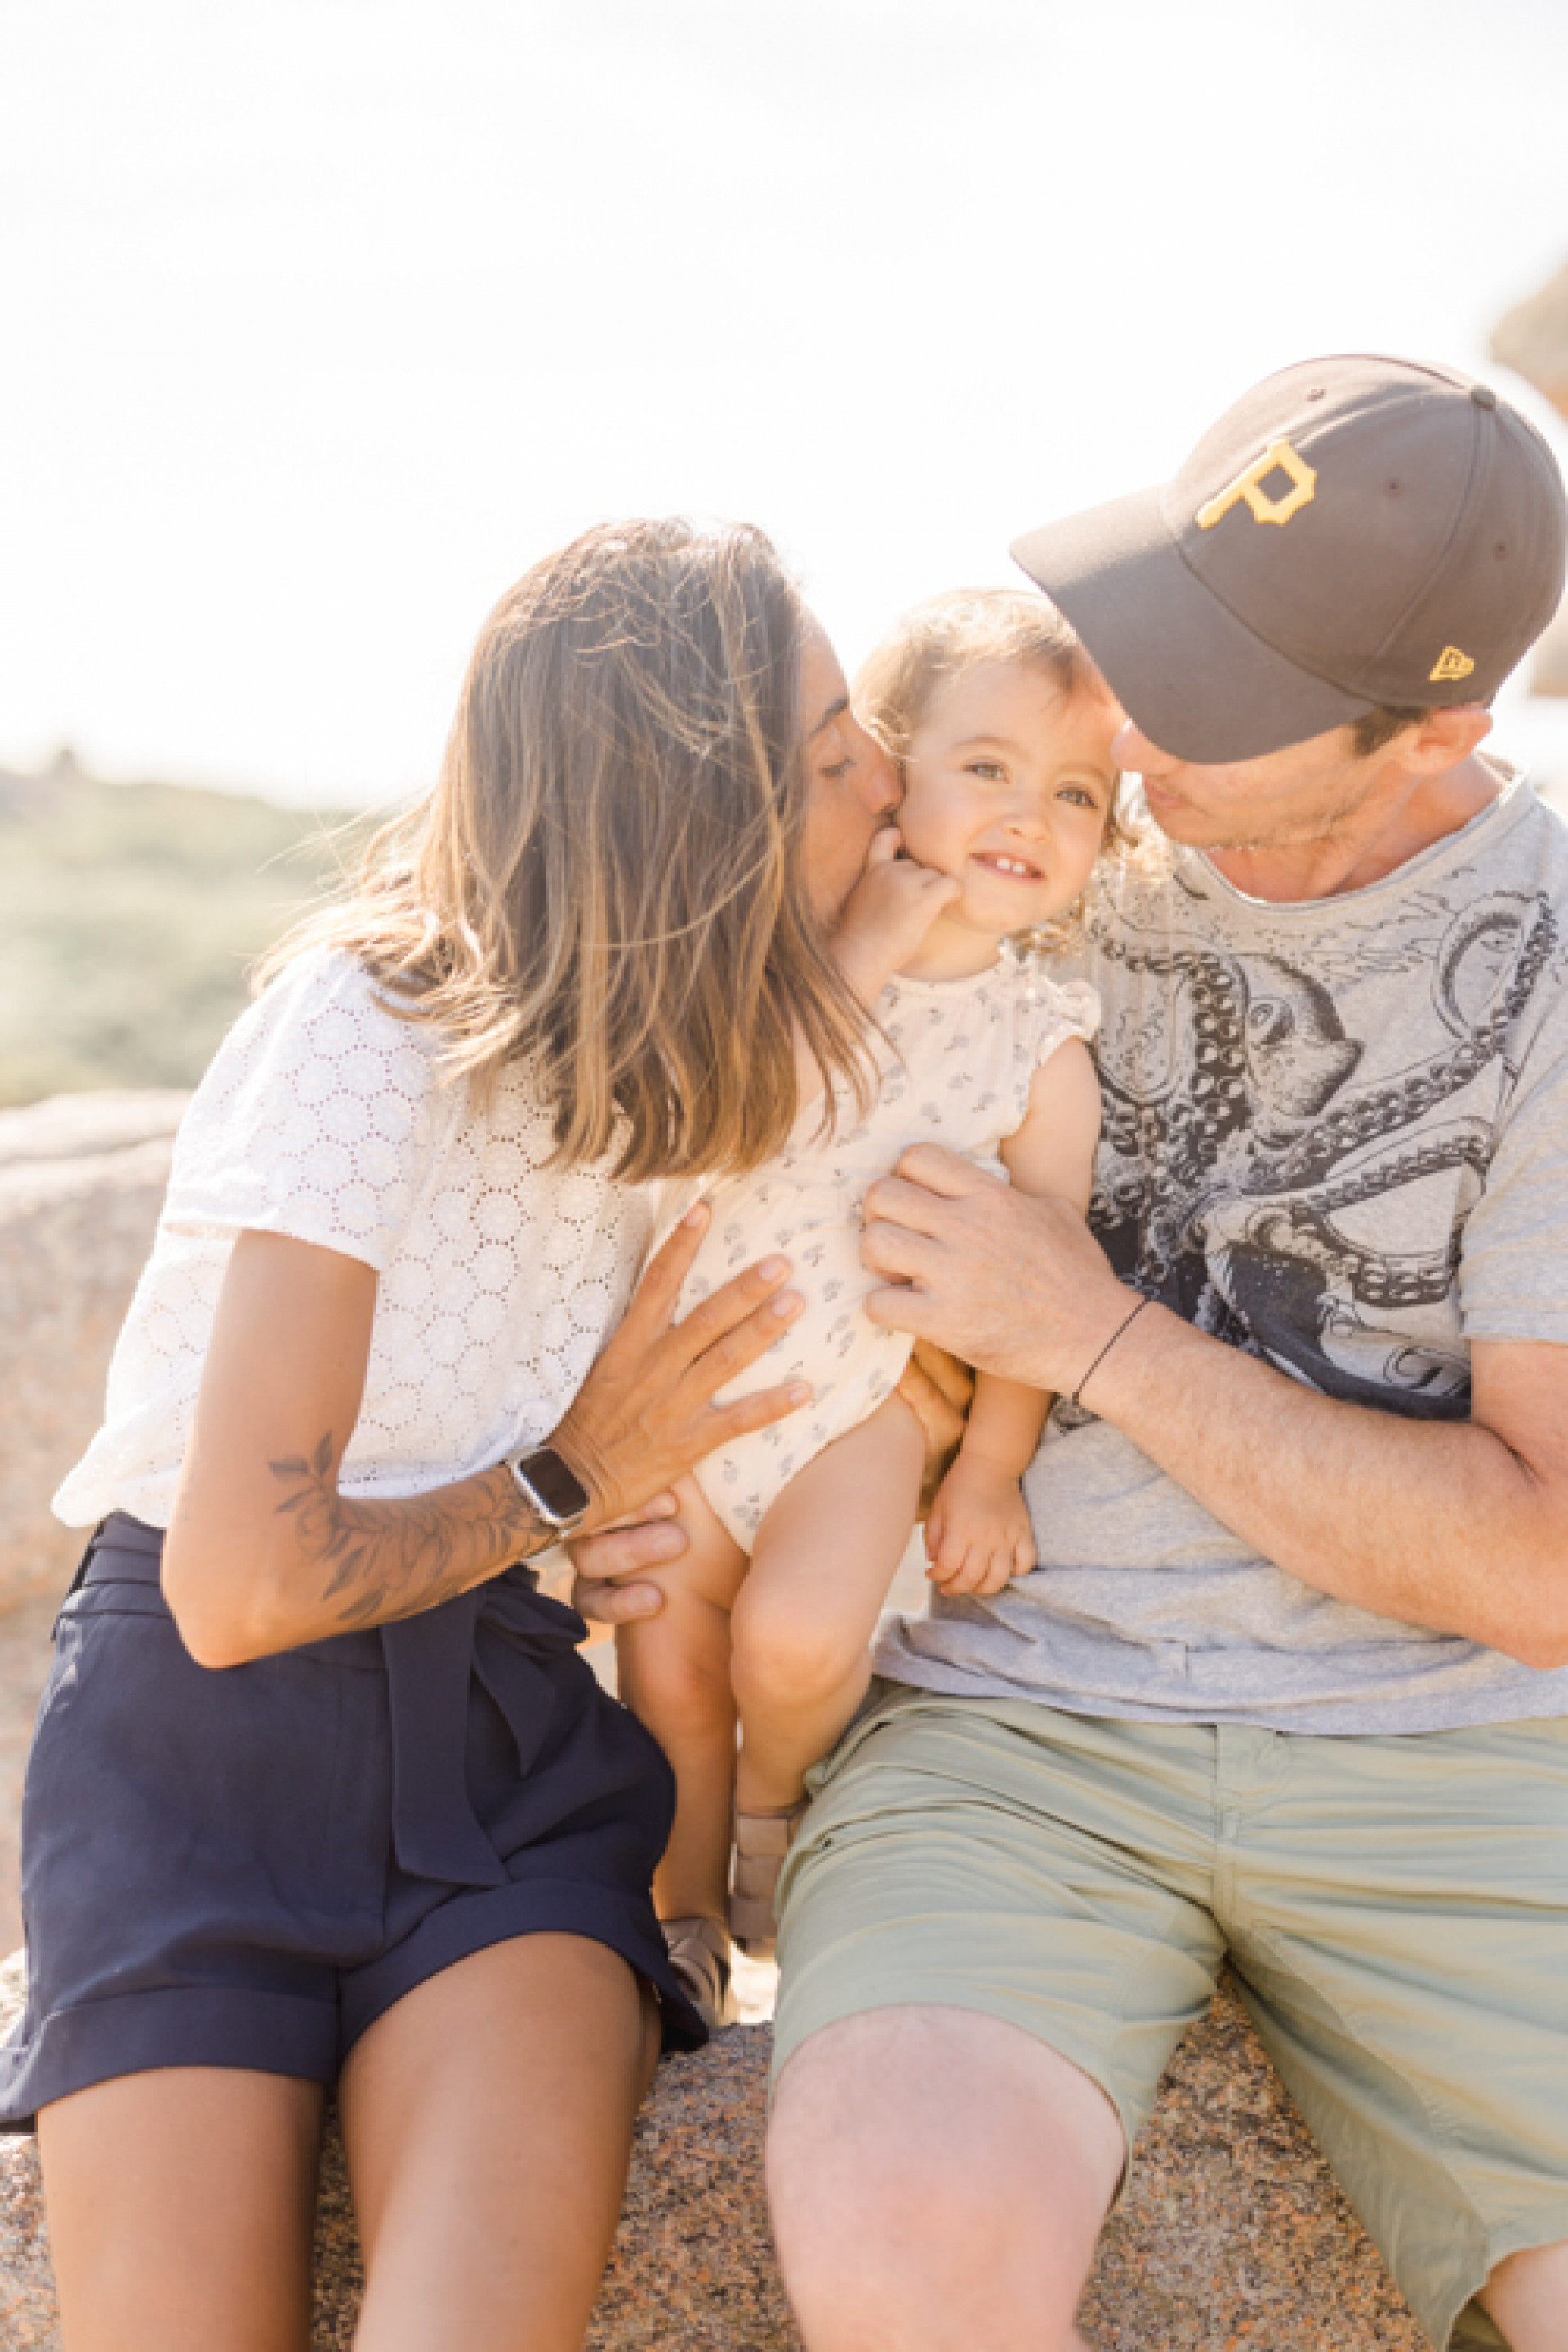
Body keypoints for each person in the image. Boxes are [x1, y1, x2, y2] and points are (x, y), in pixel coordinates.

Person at [580, 358, 1568, 2352]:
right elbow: (674, 1084)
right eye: (1159, 629)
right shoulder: (1016, 838)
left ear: (1435, 732)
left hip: (1458, 1761)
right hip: (1006, 1728)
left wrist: (1090, 1335)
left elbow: (1544, 1566)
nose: (1122, 723)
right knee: (905, 2234)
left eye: (1224, 692)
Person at [0, 517, 917, 2352]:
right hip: (198, 1758)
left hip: (509, 1763)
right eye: (831, 756)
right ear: (700, 824)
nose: (885, 780)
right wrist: (564, 1481)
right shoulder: (366, 1024)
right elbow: (243, 1586)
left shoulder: (680, 1070)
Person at [617, 592, 1116, 2021]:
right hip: (691, 1391)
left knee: (791, 1644)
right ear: (889, 768)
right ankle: (682, 1924)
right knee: (670, 1674)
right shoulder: (781, 950)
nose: (1028, 813)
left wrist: (995, 1462)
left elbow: (1049, 1281)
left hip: (862, 1408)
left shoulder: (1038, 1043)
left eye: (1076, 794)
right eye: (988, 767)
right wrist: (867, 949)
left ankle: (774, 1813)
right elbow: (715, 1123)